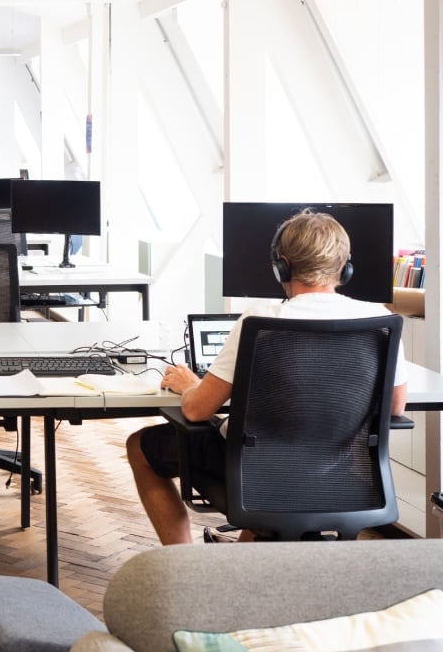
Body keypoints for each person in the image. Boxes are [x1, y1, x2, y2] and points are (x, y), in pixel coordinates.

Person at [126, 208, 409, 544]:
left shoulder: (261, 321)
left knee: (140, 447)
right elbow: (395, 408)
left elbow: (197, 411)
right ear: (345, 267)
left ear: (283, 266)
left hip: (256, 478)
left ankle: (185, 565)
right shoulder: (378, 320)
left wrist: (191, 385)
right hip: (335, 476)